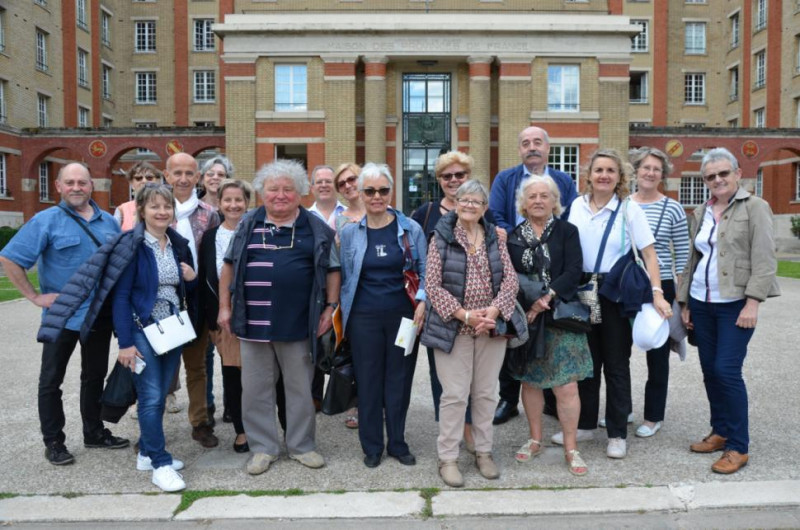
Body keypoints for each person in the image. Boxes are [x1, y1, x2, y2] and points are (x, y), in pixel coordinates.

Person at [217, 159, 340, 476]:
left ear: (300, 193)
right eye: (273, 189)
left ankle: (302, 446)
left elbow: (333, 270)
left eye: (288, 189)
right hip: (252, 324)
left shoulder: (317, 229)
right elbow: (228, 267)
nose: (280, 195)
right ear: (262, 192)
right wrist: (225, 308)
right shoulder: (247, 224)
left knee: (300, 390)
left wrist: (330, 308)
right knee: (255, 390)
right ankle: (263, 449)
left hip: (299, 324)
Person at [1, 163, 127, 466]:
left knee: (94, 376)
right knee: (51, 380)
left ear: (90, 186)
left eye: (82, 182)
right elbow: (10, 257)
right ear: (58, 186)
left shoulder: (109, 223)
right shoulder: (45, 221)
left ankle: (93, 432)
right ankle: (54, 442)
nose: (76, 187)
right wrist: (33, 296)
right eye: (69, 182)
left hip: (98, 315)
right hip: (64, 314)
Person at [562, 148, 671, 459]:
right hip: (581, 291)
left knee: (616, 364)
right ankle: (584, 425)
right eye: (599, 170)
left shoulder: (628, 210)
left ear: (620, 178)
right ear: (589, 175)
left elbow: (649, 254)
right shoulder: (575, 207)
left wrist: (657, 293)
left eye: (611, 171)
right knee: (586, 363)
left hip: (614, 293)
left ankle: (617, 433)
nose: (604, 175)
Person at [678, 147, 779, 474]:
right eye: (711, 176)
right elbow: (693, 260)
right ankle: (720, 431)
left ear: (737, 173)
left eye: (724, 173)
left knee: (726, 370)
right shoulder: (702, 212)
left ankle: (738, 446)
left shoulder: (756, 208)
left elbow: (765, 260)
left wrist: (753, 302)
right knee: (710, 370)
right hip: (702, 304)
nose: (718, 180)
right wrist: (685, 304)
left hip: (735, 304)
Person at [422, 179, 519, 487]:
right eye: (464, 199)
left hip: (489, 329)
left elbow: (510, 281)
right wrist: (464, 314)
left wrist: (494, 311)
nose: (468, 205)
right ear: (456, 202)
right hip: (454, 329)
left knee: (486, 394)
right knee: (454, 395)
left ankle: (483, 451)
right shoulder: (440, 236)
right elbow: (432, 286)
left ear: (484, 208)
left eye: (476, 201)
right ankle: (448, 458)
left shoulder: (496, 238)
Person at [338, 163, 427, 469]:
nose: (377, 196)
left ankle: (398, 443)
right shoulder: (350, 233)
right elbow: (346, 278)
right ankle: (372, 445)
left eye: (383, 190)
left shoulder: (410, 230)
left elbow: (426, 272)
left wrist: (422, 302)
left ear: (392, 191)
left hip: (403, 318)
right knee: (368, 381)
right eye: (370, 190)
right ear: (361, 194)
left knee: (399, 381)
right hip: (363, 319)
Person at [488, 126, 579, 426]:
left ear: (548, 147)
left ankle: (552, 398)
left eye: (537, 142)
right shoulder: (505, 179)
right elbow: (497, 215)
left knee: (552, 333)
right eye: (525, 143)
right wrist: (512, 238)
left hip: (554, 263)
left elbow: (570, 215)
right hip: (515, 259)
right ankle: (508, 398)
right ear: (519, 149)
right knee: (513, 332)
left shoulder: (564, 180)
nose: (532, 147)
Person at [507, 175, 592, 476]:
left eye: (545, 196)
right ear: (523, 204)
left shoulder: (567, 231)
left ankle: (571, 447)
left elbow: (573, 270)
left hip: (561, 317)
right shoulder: (514, 237)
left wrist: (547, 296)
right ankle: (535, 439)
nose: (539, 201)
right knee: (530, 381)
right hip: (529, 319)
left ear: (555, 201)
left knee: (566, 384)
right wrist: (530, 303)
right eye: (533, 196)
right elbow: (512, 276)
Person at [411, 151, 496, 453]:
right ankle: (451, 430)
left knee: (476, 379)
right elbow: (421, 261)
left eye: (460, 175)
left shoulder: (485, 214)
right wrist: (422, 299)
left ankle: (471, 432)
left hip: (479, 314)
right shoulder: (426, 212)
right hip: (439, 308)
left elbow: (496, 257)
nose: (454, 181)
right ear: (439, 180)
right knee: (445, 376)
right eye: (447, 176)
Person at [114, 184, 196, 491]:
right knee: (149, 398)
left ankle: (147, 453)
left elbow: (182, 288)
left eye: (167, 206)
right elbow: (120, 297)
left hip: (171, 328)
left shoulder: (176, 244)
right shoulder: (132, 246)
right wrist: (125, 343)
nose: (162, 212)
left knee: (160, 395)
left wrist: (192, 277)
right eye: (155, 206)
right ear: (141, 211)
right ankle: (160, 464)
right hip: (142, 328)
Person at [629, 147, 690, 438]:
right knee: (617, 352)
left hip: (661, 284)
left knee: (657, 352)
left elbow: (683, 253)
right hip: (628, 285)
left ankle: (654, 416)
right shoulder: (623, 204)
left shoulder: (673, 208)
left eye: (656, 169)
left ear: (662, 175)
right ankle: (622, 408)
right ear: (636, 171)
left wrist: (680, 296)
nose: (650, 173)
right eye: (645, 167)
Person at [163, 152, 220, 448]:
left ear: (197, 178)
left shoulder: (208, 214)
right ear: (167, 175)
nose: (183, 178)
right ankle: (152, 426)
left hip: (195, 300)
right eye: (177, 173)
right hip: (162, 302)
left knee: (197, 367)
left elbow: (212, 258)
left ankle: (200, 422)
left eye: (189, 173)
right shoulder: (156, 208)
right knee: (160, 369)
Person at [199, 179, 253, 453]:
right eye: (228, 200)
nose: (233, 205)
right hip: (223, 317)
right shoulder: (209, 238)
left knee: (259, 375)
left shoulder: (258, 232)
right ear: (219, 204)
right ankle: (242, 430)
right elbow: (205, 277)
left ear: (247, 203)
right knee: (231, 372)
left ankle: (263, 427)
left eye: (239, 200)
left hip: (255, 314)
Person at [197, 154, 235, 426]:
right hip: (202, 289)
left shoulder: (232, 211)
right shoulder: (191, 210)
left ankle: (232, 405)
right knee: (204, 354)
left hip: (230, 293)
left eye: (220, 173)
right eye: (209, 172)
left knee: (230, 352)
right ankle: (207, 405)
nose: (214, 177)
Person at [332, 162, 364, 429]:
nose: (348, 186)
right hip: (352, 296)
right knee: (355, 352)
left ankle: (382, 404)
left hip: (383, 294)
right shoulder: (339, 220)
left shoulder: (386, 210)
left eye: (352, 179)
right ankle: (358, 404)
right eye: (341, 184)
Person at [113, 162, 163, 230]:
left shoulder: (167, 207)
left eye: (149, 177)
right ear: (131, 183)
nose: (144, 181)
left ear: (157, 181)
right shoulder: (122, 210)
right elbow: (114, 236)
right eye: (139, 178)